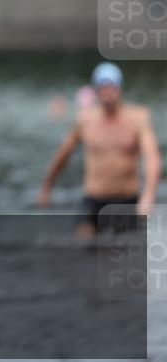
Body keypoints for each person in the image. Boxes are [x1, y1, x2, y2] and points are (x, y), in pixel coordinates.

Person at [38, 62, 161, 239]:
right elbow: (63, 155)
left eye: (112, 86)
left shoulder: (137, 118)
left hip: (128, 199)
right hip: (94, 199)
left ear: (119, 88)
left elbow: (152, 158)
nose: (108, 92)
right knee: (82, 241)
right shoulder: (86, 121)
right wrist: (47, 186)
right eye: (103, 87)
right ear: (96, 90)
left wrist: (149, 194)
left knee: (129, 248)